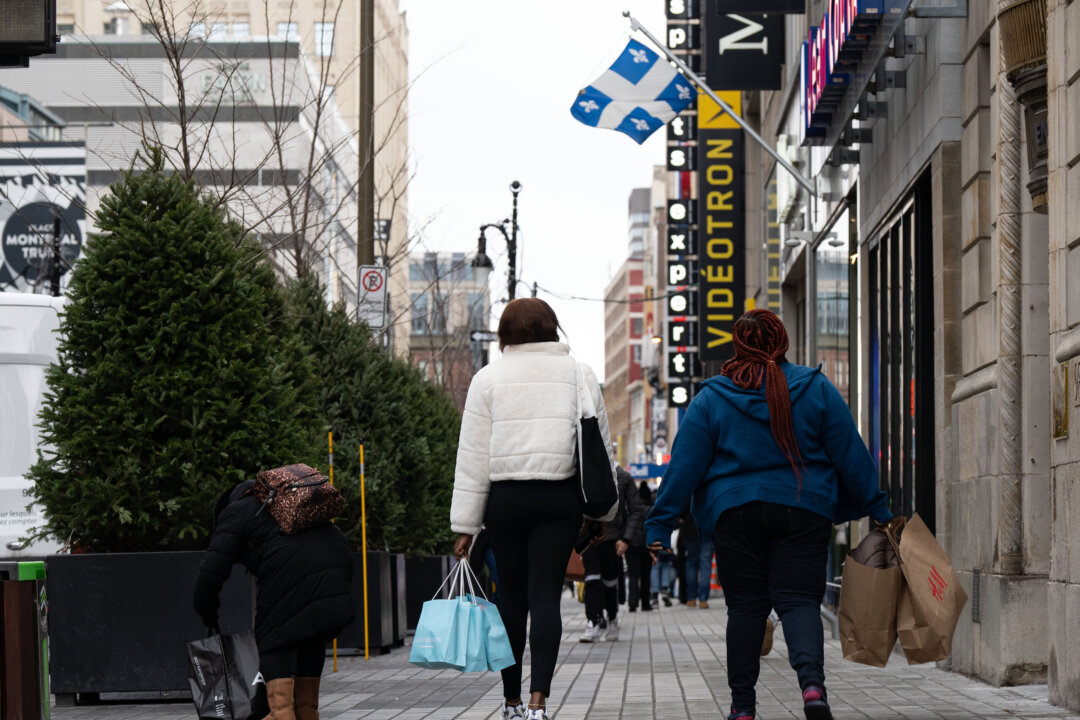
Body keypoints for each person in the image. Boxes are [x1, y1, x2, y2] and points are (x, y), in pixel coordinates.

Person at [644, 309, 892, 720]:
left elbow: (683, 467)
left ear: (738, 346)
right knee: (798, 604)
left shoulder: (711, 398)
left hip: (735, 514)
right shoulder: (815, 388)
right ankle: (812, 688)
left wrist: (658, 524)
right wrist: (877, 508)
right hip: (803, 508)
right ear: (782, 342)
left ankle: (743, 708)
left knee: (745, 609)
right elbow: (851, 453)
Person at [450, 298, 617, 720]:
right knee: (546, 598)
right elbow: (601, 449)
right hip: (559, 499)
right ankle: (540, 702)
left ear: (505, 332)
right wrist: (602, 514)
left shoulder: (487, 379)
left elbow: (472, 456)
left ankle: (510, 702)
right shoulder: (578, 374)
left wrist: (465, 524)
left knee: (511, 599)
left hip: (505, 501)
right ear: (551, 328)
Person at [193, 471, 354, 720]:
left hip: (291, 569)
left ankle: (281, 713)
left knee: (273, 640)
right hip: (336, 560)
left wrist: (206, 610)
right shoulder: (281, 500)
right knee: (311, 635)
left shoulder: (235, 512)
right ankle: (307, 712)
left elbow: (211, 570)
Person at [579, 465, 645, 643]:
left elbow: (636, 509)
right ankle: (592, 622)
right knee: (592, 579)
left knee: (610, 582)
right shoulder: (584, 472)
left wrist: (626, 539)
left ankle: (612, 619)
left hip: (614, 539)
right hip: (589, 538)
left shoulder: (623, 477)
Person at [625, 479, 653, 611]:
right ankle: (646, 603)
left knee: (633, 575)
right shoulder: (652, 510)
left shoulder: (632, 509)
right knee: (646, 575)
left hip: (632, 545)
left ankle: (632, 603)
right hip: (646, 546)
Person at [682, 512, 715, 609]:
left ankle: (691, 598)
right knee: (705, 564)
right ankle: (703, 600)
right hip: (707, 530)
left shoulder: (689, 496)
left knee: (691, 563)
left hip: (690, 530)